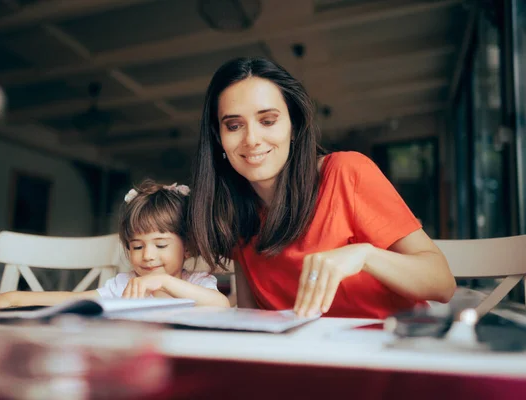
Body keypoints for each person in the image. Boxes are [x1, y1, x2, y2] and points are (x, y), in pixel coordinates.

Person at [188, 57, 456, 319]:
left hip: (394, 350)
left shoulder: (345, 172)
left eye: (268, 121)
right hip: (308, 358)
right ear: (218, 138)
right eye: (234, 126)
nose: (252, 139)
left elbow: (442, 284)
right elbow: (252, 318)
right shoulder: (234, 212)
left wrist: (365, 255)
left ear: (293, 127)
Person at [0, 180, 230, 308]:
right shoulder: (124, 285)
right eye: (137, 246)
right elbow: (75, 299)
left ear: (187, 247)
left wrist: (165, 281)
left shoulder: (196, 282)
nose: (147, 256)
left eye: (160, 245)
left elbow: (221, 304)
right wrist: (15, 298)